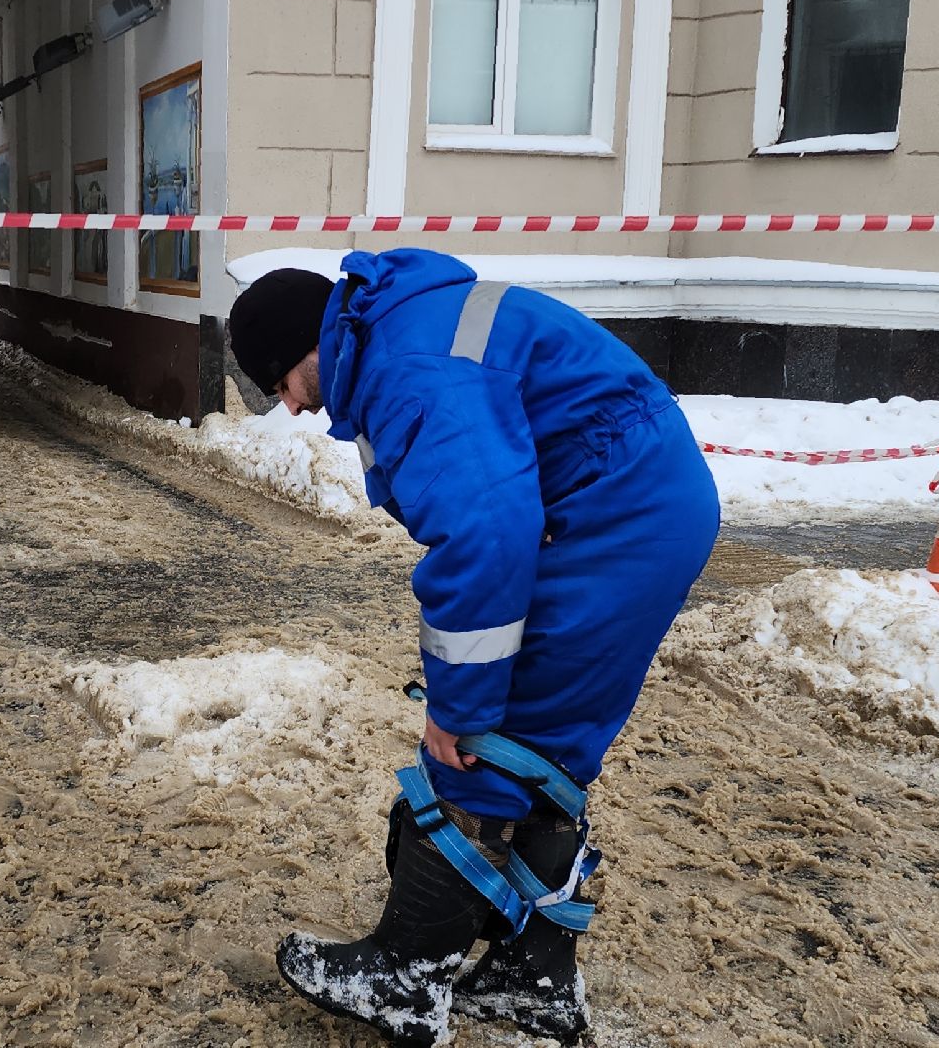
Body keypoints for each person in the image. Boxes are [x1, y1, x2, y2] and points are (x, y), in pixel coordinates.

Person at [227, 249, 720, 1046]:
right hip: (628, 505)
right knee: (544, 747)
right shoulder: (397, 333)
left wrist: (455, 712)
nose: (286, 408)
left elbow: (484, 539)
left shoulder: (409, 372)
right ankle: (533, 978)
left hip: (613, 521)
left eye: (277, 385)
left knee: (483, 749)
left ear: (302, 349)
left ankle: (406, 974)